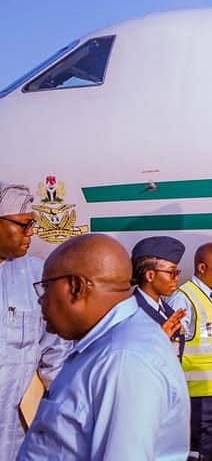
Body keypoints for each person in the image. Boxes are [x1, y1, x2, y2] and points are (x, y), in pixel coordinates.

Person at [17, 234, 189, 461]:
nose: (41, 300)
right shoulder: (106, 343)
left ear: (77, 287)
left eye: (47, 287)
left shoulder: (123, 360)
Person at [0, 183, 70, 461]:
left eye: (33, 224)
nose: (31, 232)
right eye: (24, 225)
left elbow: (56, 351)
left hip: (17, 431)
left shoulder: (38, 276)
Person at [166, 243, 212, 461]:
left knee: (209, 450)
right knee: (197, 453)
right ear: (202, 268)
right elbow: (169, 347)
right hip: (194, 397)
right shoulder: (183, 299)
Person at [131, 236, 187, 359]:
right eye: (172, 273)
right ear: (150, 275)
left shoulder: (167, 311)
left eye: (177, 273)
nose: (177, 278)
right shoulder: (131, 314)